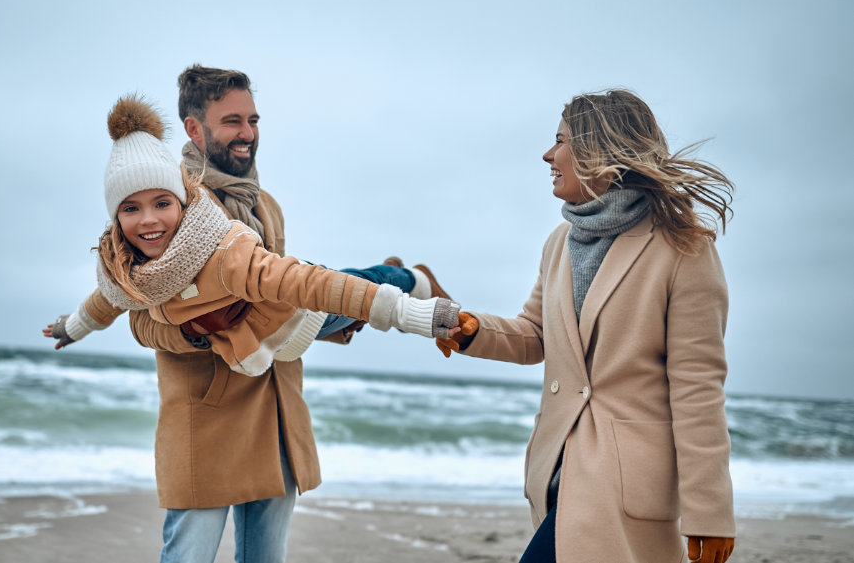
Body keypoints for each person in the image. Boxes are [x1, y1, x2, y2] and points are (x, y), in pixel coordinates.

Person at [44, 65, 451, 563]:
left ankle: (405, 281)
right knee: (188, 554)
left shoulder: (265, 205)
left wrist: (391, 313)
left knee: (265, 558)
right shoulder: (171, 207)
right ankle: (404, 281)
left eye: (252, 119)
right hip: (208, 416)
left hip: (275, 397)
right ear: (194, 129)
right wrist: (189, 331)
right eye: (231, 121)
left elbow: (287, 291)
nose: (247, 133)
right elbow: (135, 313)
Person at [436, 89, 736, 563]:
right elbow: (536, 334)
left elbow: (698, 388)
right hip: (556, 470)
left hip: (625, 486)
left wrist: (710, 510)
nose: (548, 154)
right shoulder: (560, 242)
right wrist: (473, 329)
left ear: (602, 151)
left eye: (561, 141)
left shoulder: (684, 249)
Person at [46, 94, 459, 376]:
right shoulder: (130, 271)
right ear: (116, 219)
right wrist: (73, 328)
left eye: (162, 203)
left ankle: (414, 278)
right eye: (131, 209)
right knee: (352, 313)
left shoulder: (225, 254)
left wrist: (417, 315)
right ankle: (382, 290)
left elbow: (312, 285)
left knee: (364, 289)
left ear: (182, 202)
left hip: (303, 313)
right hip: (266, 344)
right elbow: (107, 302)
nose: (149, 220)